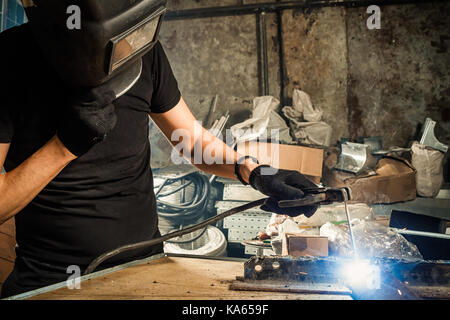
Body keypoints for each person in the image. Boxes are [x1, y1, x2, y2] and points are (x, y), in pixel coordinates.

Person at [0, 15, 317, 299]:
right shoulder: (10, 57)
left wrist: (254, 171)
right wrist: (64, 146)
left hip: (142, 266)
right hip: (51, 281)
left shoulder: (139, 47)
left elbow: (190, 141)